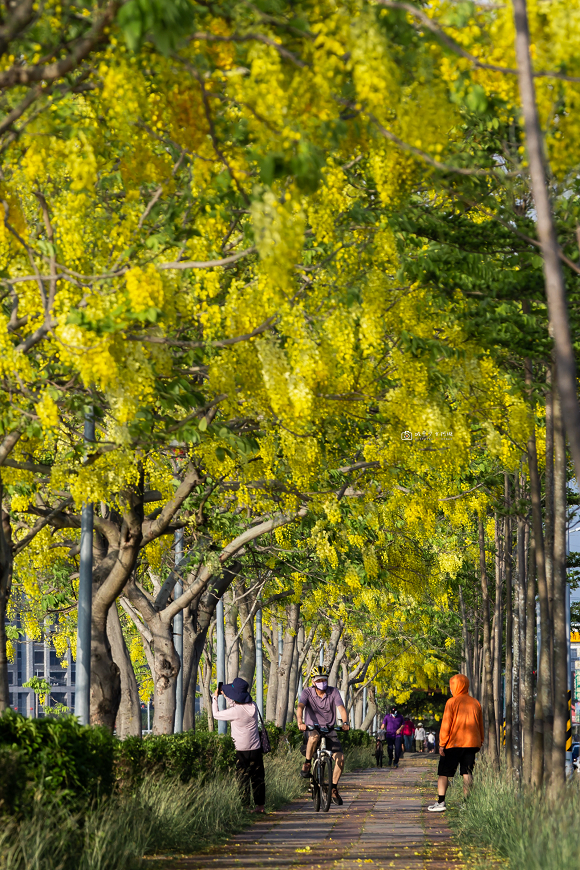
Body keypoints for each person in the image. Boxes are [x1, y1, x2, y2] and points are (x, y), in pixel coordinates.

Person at [427, 674, 484, 813]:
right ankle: (467, 803)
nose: (451, 689)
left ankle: (441, 802)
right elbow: (480, 724)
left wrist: (442, 744)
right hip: (471, 743)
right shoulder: (475, 703)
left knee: (443, 773)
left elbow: (446, 724)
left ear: (457, 686)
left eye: (452, 686)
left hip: (454, 744)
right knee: (467, 773)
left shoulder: (451, 702)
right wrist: (480, 740)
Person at [297, 665, 350, 805]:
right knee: (313, 737)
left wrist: (345, 722)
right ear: (313, 681)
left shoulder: (333, 692)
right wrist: (300, 722)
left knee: (340, 758)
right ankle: (307, 763)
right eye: (319, 680)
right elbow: (300, 707)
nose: (322, 682)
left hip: (329, 730)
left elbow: (341, 708)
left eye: (324, 679)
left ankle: (333, 788)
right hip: (312, 728)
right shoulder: (307, 692)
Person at [213, 677, 265, 813]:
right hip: (255, 748)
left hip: (240, 750)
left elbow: (216, 714)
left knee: (242, 778)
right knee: (257, 778)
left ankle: (245, 807)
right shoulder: (253, 706)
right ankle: (260, 806)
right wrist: (225, 695)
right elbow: (236, 703)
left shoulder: (235, 712)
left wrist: (215, 698)